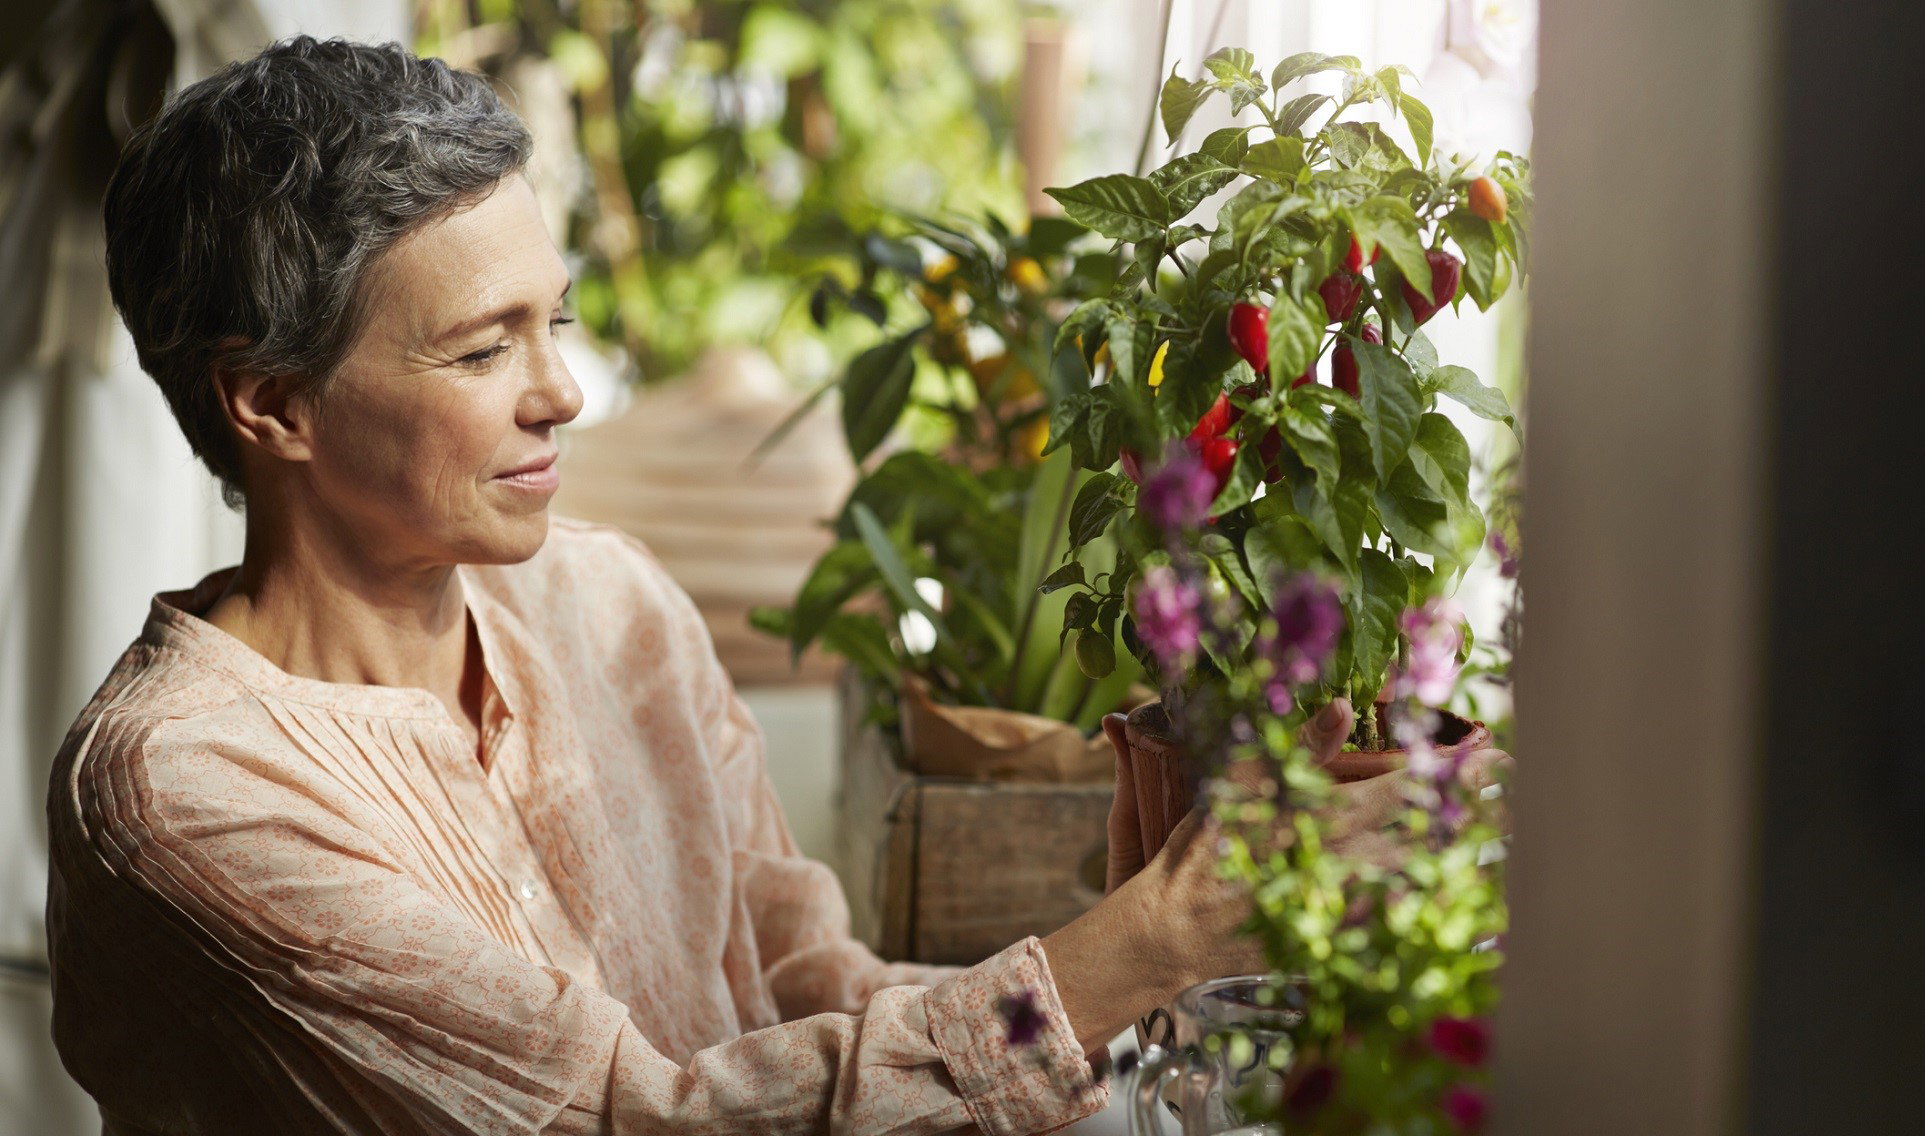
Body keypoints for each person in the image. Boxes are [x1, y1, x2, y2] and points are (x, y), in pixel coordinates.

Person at [45, 37, 1507, 1136]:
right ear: (271, 406)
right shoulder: (186, 790)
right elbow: (644, 1122)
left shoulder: (604, 599)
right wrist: (1145, 939)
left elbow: (813, 987)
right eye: (482, 349)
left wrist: (1133, 967)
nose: (561, 389)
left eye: (555, 320)